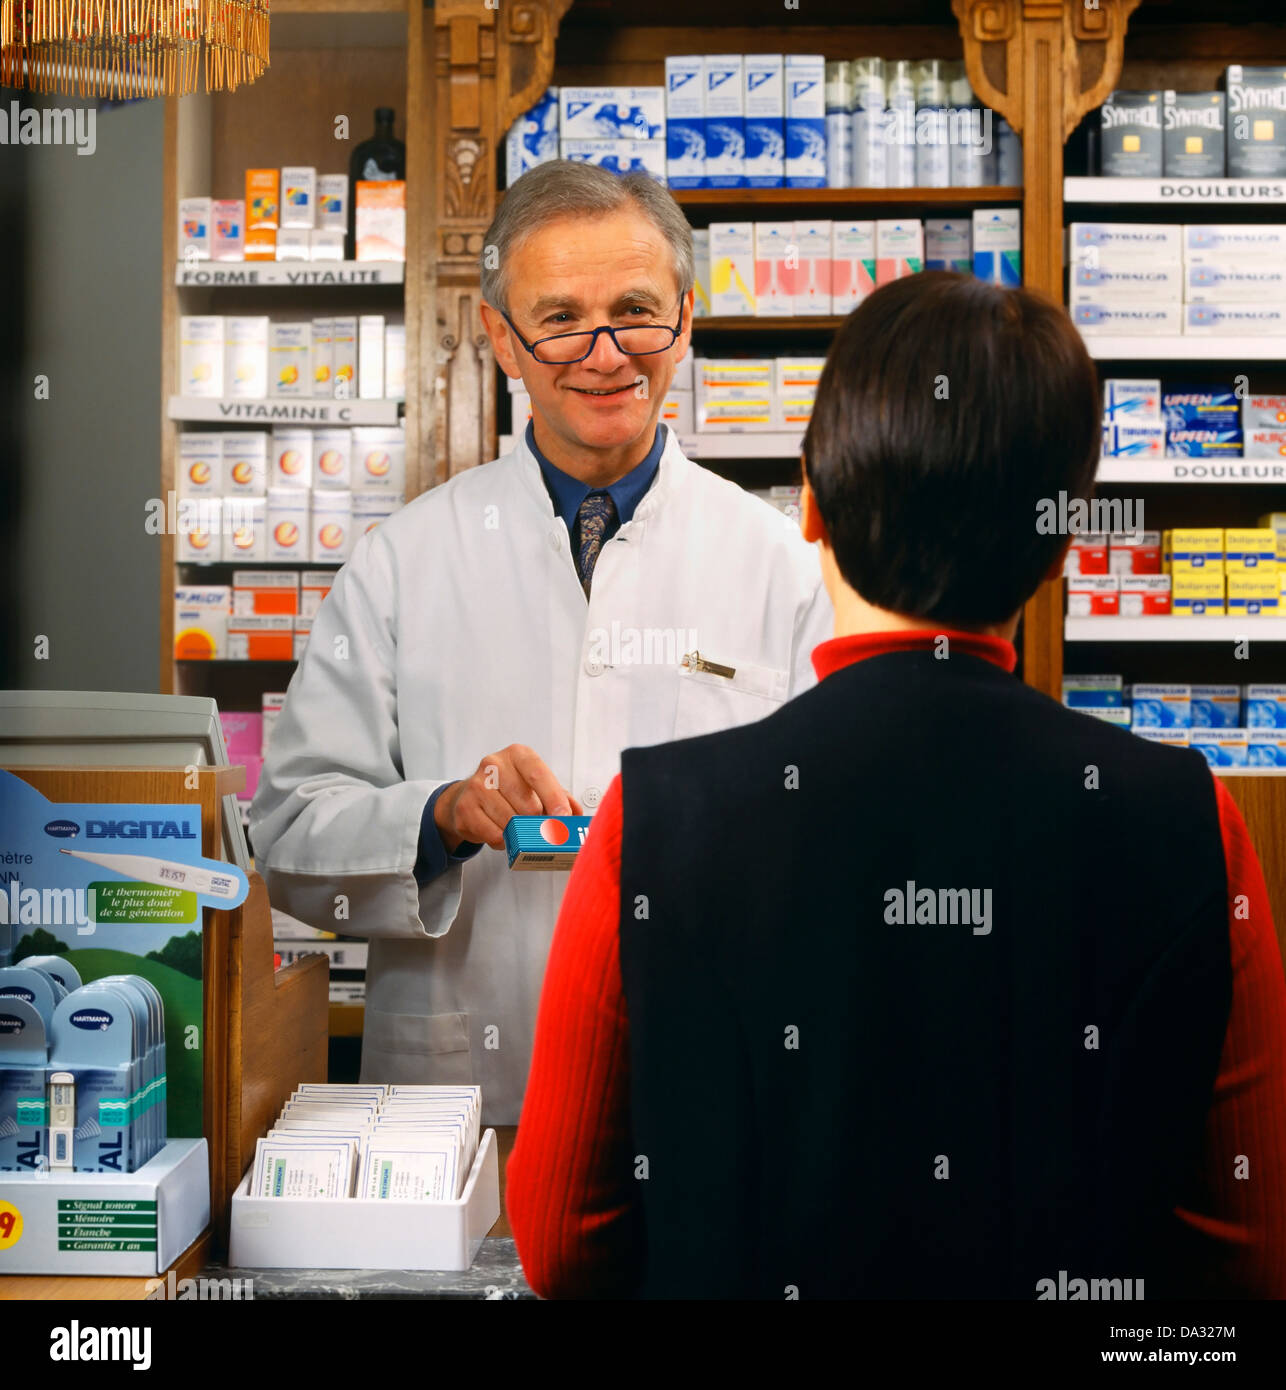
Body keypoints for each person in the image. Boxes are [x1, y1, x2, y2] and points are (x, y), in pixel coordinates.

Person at [506, 270, 1286, 1299]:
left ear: (813, 507)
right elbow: (1249, 1246)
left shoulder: (650, 822)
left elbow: (565, 1239)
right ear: (1059, 543)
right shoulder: (1189, 820)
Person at [249, 160, 832, 1124]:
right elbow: (289, 837)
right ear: (501, 340)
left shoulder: (780, 564)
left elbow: (834, 842)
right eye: (560, 318)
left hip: (704, 1092)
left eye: (637, 311)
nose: (605, 354)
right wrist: (441, 815)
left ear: (685, 319)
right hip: (459, 1107)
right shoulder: (403, 563)